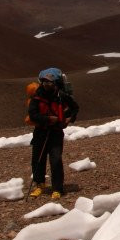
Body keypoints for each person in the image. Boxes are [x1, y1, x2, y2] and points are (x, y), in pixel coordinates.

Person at [27, 67, 79, 200]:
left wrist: (69, 119)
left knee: (55, 160)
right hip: (40, 132)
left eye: (49, 82)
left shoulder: (61, 96)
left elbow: (75, 107)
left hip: (55, 132)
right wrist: (48, 119)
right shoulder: (37, 97)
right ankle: (40, 185)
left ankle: (57, 188)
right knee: (38, 160)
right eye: (45, 82)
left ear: (55, 83)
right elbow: (32, 115)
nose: (47, 85)